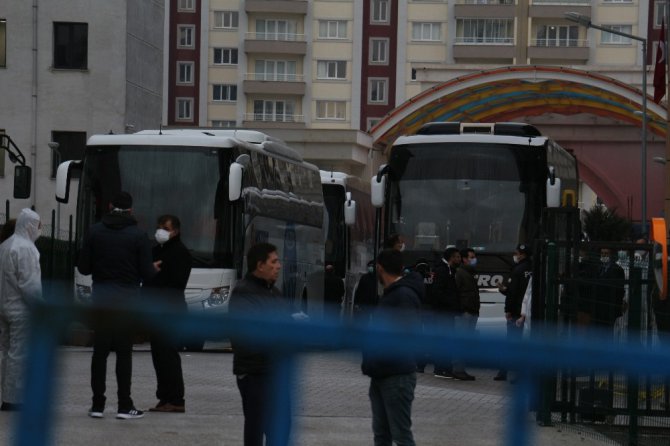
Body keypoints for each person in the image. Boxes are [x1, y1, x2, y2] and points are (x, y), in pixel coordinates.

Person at [78, 192, 158, 420]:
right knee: (124, 354)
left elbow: (84, 268)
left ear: (110, 206)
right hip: (127, 301)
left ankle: (97, 405)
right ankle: (124, 405)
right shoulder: (139, 235)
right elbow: (147, 273)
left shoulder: (94, 231)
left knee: (99, 353)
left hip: (101, 299)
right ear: (131, 210)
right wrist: (153, 268)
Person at [229, 243, 293, 446]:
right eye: (274, 262)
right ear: (260, 265)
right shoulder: (244, 293)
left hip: (276, 372)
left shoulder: (275, 293)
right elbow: (248, 335)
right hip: (255, 373)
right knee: (257, 427)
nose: (279, 266)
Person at [361, 249, 421, 446]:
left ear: (379, 268)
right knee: (382, 434)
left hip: (396, 375)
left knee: (400, 435)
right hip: (382, 373)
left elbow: (403, 334)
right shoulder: (394, 294)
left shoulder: (401, 295)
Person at [144, 214, 192, 413]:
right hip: (155, 309)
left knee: (169, 354)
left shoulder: (180, 252)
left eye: (165, 227)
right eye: (159, 226)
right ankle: (164, 397)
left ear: (176, 231)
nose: (161, 231)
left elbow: (175, 282)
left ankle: (176, 398)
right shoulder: (156, 250)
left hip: (171, 309)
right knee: (158, 355)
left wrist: (153, 274)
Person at [0, 209, 42, 411]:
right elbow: (30, 285)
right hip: (21, 310)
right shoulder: (27, 249)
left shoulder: (5, 245)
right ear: (30, 225)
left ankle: (6, 396)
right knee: (19, 353)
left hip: (4, 306)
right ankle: (14, 399)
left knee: (6, 352)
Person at [494, 244, 532, 382]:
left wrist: (507, 310)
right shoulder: (533, 268)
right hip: (528, 312)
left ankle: (503, 372)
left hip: (516, 312)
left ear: (522, 254)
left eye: (517, 253)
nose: (515, 255)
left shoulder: (517, 270)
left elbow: (512, 293)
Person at [430, 247, 466, 379]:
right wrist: (450, 304)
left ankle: (446, 367)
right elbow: (438, 292)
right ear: (451, 258)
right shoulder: (442, 271)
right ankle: (440, 369)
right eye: (457, 257)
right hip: (443, 313)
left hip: (448, 312)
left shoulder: (450, 270)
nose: (459, 259)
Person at [453, 248, 479, 380]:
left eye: (474, 257)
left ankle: (461, 368)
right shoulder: (460, 273)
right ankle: (458, 369)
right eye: (471, 257)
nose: (474, 259)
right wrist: (461, 309)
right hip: (465, 313)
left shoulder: (470, 273)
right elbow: (456, 293)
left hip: (472, 311)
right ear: (464, 259)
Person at [353, 260, 379, 327]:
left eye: (372, 266)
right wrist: (356, 303)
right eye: (369, 266)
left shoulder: (378, 278)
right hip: (364, 304)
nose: (370, 268)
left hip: (375, 304)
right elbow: (359, 291)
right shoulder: (364, 277)